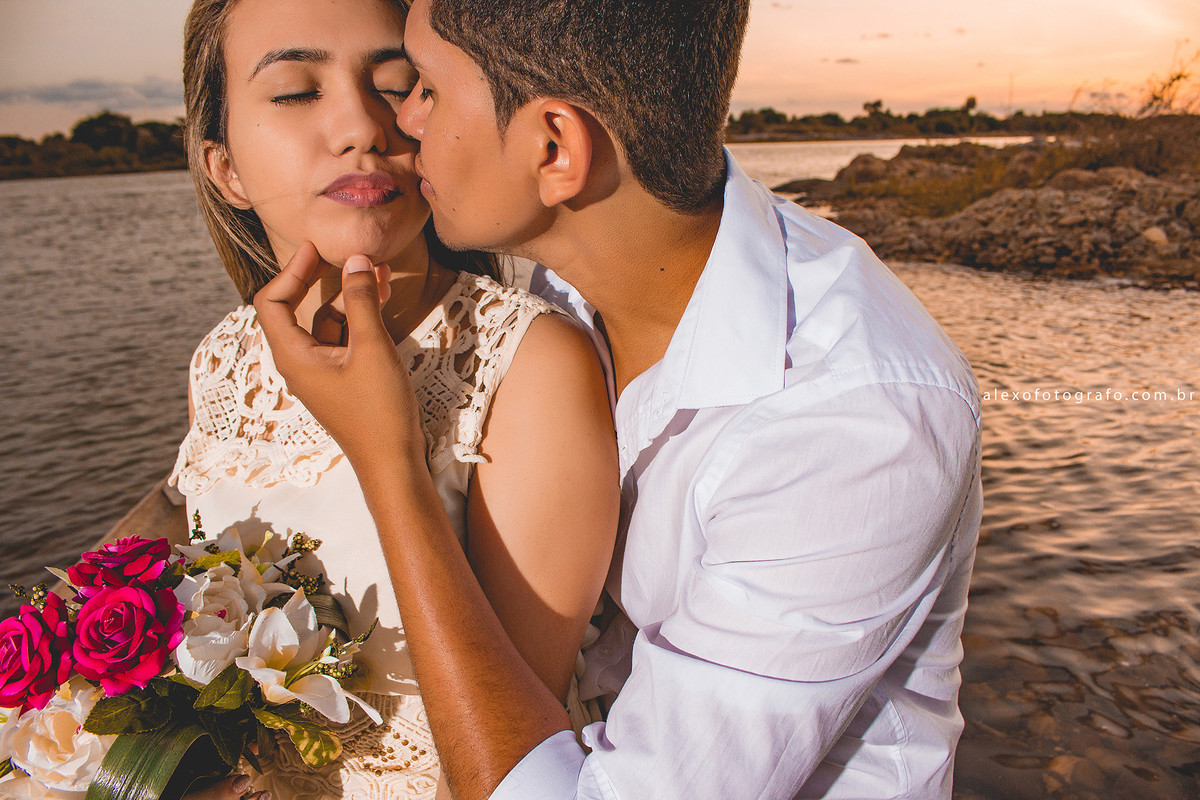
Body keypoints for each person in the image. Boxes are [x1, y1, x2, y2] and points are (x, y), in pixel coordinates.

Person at [253, 0, 984, 797]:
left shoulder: (851, 422)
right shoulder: (572, 267)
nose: (404, 123)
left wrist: (385, 459)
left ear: (556, 148)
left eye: (422, 85)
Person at [169, 0, 619, 798]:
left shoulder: (529, 365)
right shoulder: (222, 360)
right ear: (226, 168)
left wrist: (390, 451)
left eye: (397, 83)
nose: (361, 126)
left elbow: (511, 762)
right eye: (295, 92)